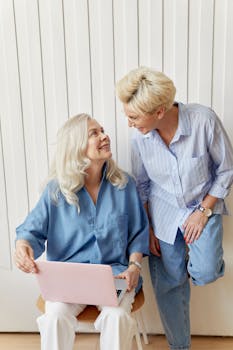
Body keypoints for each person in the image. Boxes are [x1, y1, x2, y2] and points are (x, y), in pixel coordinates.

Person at [116, 66, 233, 350]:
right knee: (169, 285)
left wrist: (203, 212)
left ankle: (192, 265)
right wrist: (149, 229)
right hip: (163, 211)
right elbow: (143, 185)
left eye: (133, 116)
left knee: (204, 271)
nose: (129, 123)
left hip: (202, 207)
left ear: (159, 111)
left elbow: (226, 170)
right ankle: (179, 347)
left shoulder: (203, 121)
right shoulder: (140, 138)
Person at [14, 113, 149, 350]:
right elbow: (30, 232)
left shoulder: (124, 184)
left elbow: (139, 233)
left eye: (102, 130)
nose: (105, 136)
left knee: (116, 317)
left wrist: (134, 267)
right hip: (68, 280)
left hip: (114, 276)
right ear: (77, 146)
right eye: (94, 133)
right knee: (54, 316)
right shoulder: (56, 190)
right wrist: (22, 248)